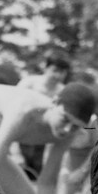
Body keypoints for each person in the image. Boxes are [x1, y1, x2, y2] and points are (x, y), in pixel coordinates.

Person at [17, 49, 72, 179]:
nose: (57, 75)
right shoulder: (28, 84)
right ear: (45, 67)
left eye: (62, 72)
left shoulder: (63, 91)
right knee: (18, 171)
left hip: (41, 139)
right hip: (19, 132)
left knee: (36, 174)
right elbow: (14, 111)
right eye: (55, 70)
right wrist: (14, 151)